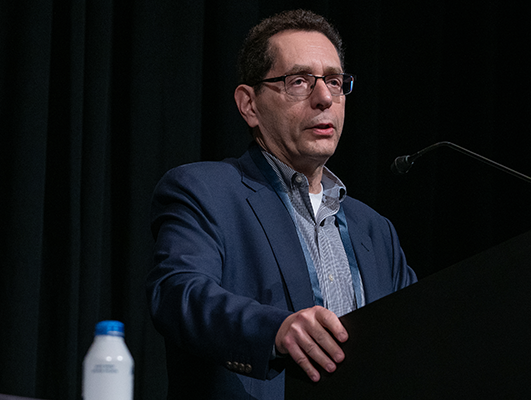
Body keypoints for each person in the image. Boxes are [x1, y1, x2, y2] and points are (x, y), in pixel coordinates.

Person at [146, 9, 417, 400]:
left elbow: (418, 335)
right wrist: (274, 330)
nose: (324, 98)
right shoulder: (205, 191)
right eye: (299, 82)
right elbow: (178, 294)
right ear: (249, 105)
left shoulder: (374, 229)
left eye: (335, 82)